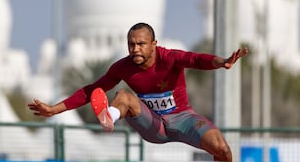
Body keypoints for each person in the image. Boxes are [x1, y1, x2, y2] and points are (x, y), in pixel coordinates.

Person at [28, 22, 248, 161]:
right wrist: (54, 109)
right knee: (123, 97)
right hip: (153, 125)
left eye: (141, 44)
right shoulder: (123, 67)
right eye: (131, 44)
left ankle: (111, 115)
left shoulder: (169, 57)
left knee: (222, 149)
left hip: (182, 118)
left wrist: (222, 62)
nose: (135, 50)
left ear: (154, 44)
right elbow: (91, 90)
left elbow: (196, 59)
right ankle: (109, 117)